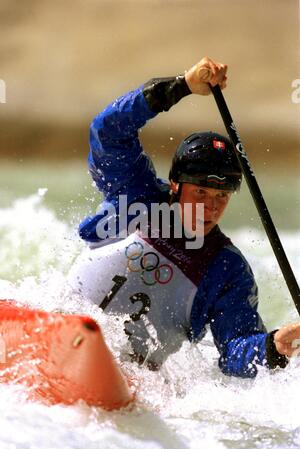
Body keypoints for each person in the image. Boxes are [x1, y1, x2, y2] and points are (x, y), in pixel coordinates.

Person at [68, 57, 300, 377]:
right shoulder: (137, 194)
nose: (211, 206)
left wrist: (273, 346)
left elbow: (234, 351)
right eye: (201, 192)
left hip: (132, 378)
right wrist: (180, 87)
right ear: (175, 185)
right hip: (62, 327)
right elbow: (108, 133)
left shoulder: (227, 269)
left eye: (221, 196)